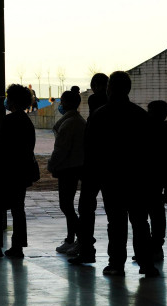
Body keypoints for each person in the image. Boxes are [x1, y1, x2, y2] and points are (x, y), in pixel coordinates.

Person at [84, 71, 158, 277]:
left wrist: (92, 177)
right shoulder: (140, 115)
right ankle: (146, 262)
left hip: (111, 178)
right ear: (128, 89)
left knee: (116, 222)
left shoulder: (99, 115)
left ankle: (116, 263)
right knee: (140, 222)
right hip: (136, 178)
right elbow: (149, 151)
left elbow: (91, 151)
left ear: (109, 89)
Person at [0, 84, 36, 259]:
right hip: (21, 172)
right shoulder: (26, 121)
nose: (5, 100)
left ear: (13, 101)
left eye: (8, 97)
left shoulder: (10, 121)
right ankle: (17, 246)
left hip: (6, 172)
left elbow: (2, 147)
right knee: (18, 209)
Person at [68, 72, 109, 264]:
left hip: (93, 166)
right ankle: (116, 260)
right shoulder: (128, 112)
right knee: (116, 212)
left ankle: (86, 249)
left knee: (86, 208)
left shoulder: (96, 108)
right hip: (112, 167)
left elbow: (89, 140)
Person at [48, 91, 86, 254]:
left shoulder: (69, 123)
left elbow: (61, 150)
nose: (60, 105)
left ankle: (80, 238)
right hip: (75, 166)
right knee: (68, 205)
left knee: (66, 205)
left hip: (68, 168)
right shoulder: (77, 121)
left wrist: (52, 165)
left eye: (62, 101)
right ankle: (73, 238)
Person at [139, 100, 167, 260]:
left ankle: (150, 246)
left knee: (145, 215)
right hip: (160, 176)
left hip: (146, 176)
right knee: (157, 214)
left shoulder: (147, 128)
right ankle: (156, 246)